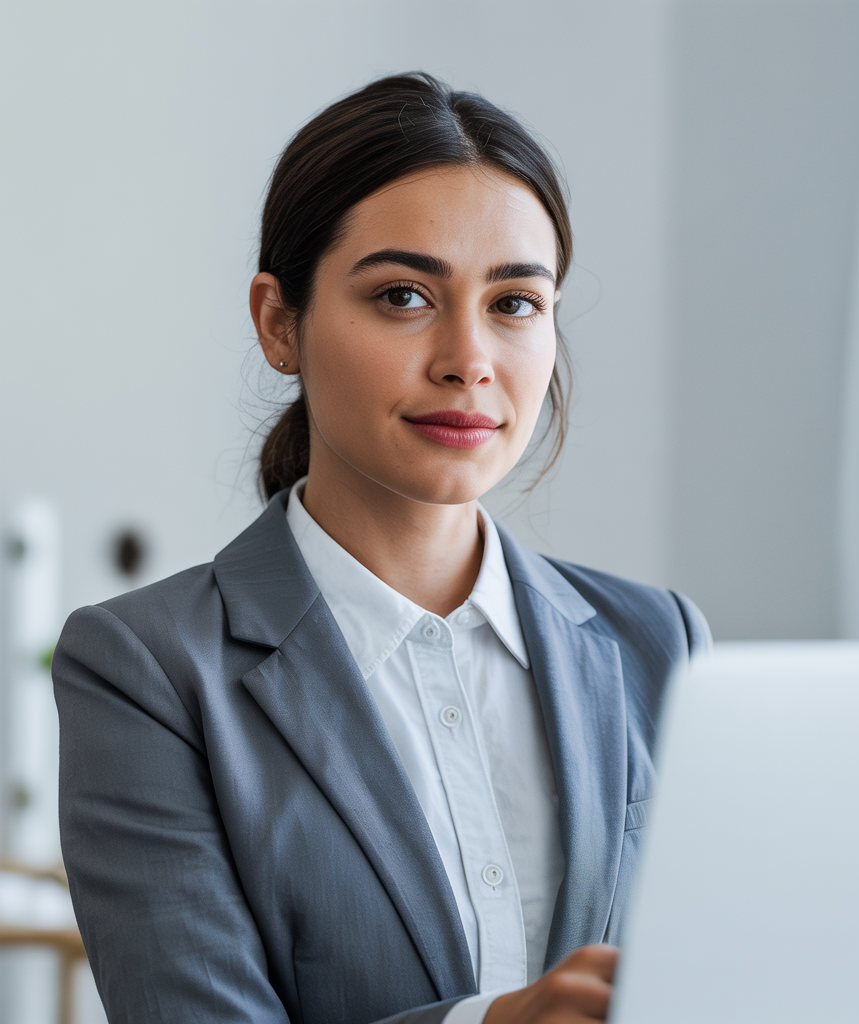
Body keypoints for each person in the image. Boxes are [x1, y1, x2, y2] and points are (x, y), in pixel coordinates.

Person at [52, 72, 710, 1024]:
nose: (468, 359)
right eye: (404, 295)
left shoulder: (661, 642)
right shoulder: (147, 670)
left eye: (515, 303)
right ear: (280, 322)